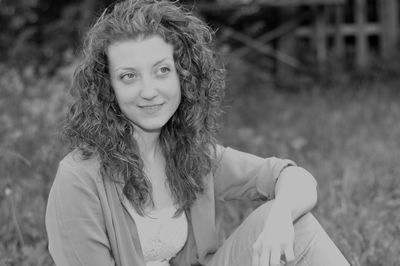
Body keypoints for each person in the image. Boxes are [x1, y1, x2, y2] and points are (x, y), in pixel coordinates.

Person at [45, 0, 350, 265]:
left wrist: (281, 216)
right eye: (129, 76)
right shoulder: (79, 179)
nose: (149, 91)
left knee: (299, 225)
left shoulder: (191, 155)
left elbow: (293, 177)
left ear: (183, 76)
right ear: (108, 88)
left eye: (162, 70)